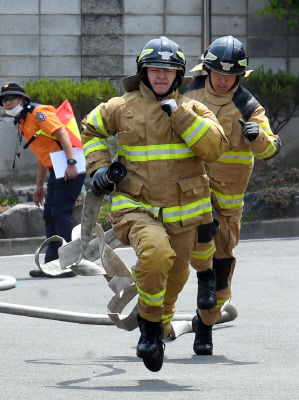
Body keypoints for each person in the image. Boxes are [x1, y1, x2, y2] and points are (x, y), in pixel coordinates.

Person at [81, 36, 227, 372]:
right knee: (156, 255)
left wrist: (180, 117)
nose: (161, 76)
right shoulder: (123, 107)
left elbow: (216, 148)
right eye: (154, 69)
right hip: (137, 206)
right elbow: (91, 129)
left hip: (184, 214)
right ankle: (148, 330)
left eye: (168, 70)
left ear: (178, 75)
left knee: (175, 275)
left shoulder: (194, 110)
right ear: (142, 72)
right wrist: (100, 167)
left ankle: (159, 323)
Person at [179, 35, 281, 355]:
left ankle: (205, 325)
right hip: (193, 187)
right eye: (217, 74)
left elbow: (271, 147)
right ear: (206, 69)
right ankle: (198, 288)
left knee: (222, 271)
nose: (223, 81)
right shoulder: (186, 92)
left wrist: (257, 136)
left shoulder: (248, 105)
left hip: (229, 198)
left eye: (230, 76)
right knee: (201, 231)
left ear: (240, 76)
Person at [0, 82, 86, 278]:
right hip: (57, 167)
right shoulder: (23, 121)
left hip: (70, 165)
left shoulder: (38, 113)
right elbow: (42, 154)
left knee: (61, 213)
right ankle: (51, 264)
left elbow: (61, 132)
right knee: (49, 215)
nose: (7, 102)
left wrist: (71, 163)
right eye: (3, 99)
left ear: (22, 99)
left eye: (11, 98)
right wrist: (39, 186)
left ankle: (67, 263)